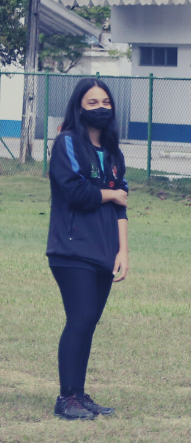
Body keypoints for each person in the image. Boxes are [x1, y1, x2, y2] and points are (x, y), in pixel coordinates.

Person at [46, 78, 130, 420]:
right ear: (79, 107)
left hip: (105, 251)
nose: (100, 108)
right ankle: (66, 398)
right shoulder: (66, 143)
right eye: (92, 102)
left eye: (105, 102)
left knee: (89, 322)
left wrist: (123, 252)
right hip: (71, 251)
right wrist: (109, 193)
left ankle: (79, 394)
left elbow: (122, 206)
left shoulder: (113, 154)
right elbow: (76, 192)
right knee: (79, 319)